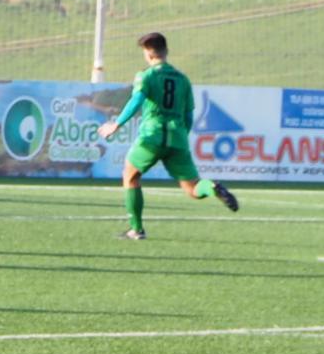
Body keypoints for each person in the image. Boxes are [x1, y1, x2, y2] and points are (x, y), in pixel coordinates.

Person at [97, 32, 238, 240]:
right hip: (177, 137)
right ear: (166, 51)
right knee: (193, 188)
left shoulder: (146, 76)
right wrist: (182, 138)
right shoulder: (183, 80)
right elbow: (188, 115)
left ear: (148, 53)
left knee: (130, 175)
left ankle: (136, 229)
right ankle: (212, 187)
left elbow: (136, 100)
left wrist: (116, 124)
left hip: (152, 136)